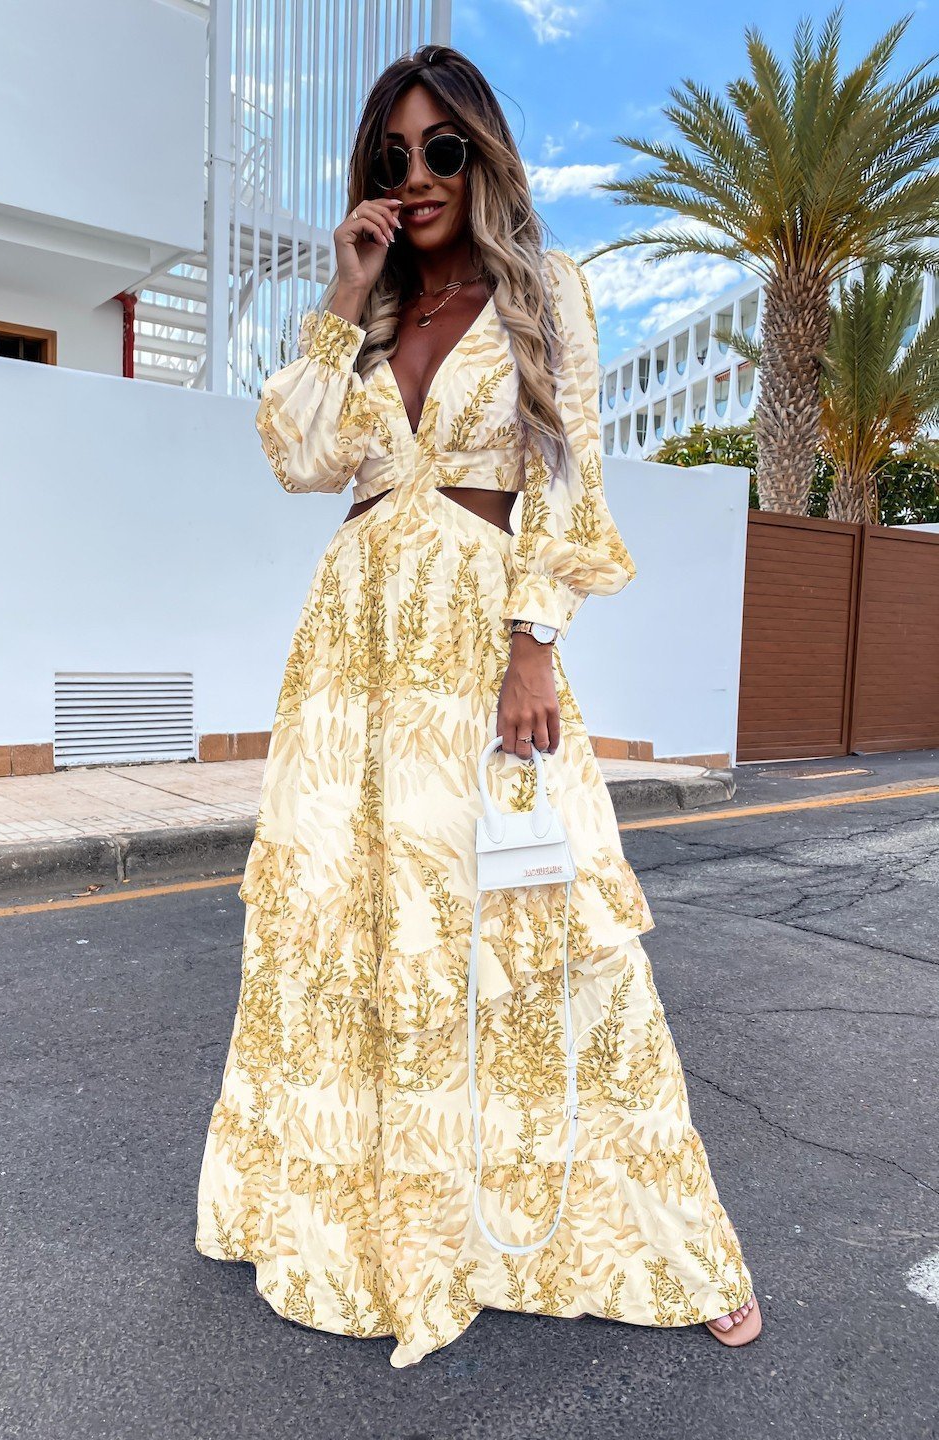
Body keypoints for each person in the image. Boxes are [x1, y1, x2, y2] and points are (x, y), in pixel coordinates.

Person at [196, 42, 762, 1368]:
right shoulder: (375, 314)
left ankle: (661, 1238)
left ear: (485, 155)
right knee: (349, 925)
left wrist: (536, 645)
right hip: (351, 655)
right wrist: (343, 289)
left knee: (537, 911)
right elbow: (295, 453)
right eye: (392, 155)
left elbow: (569, 473)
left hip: (471, 631)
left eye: (440, 148)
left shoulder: (544, 293)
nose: (417, 174)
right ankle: (371, 1218)